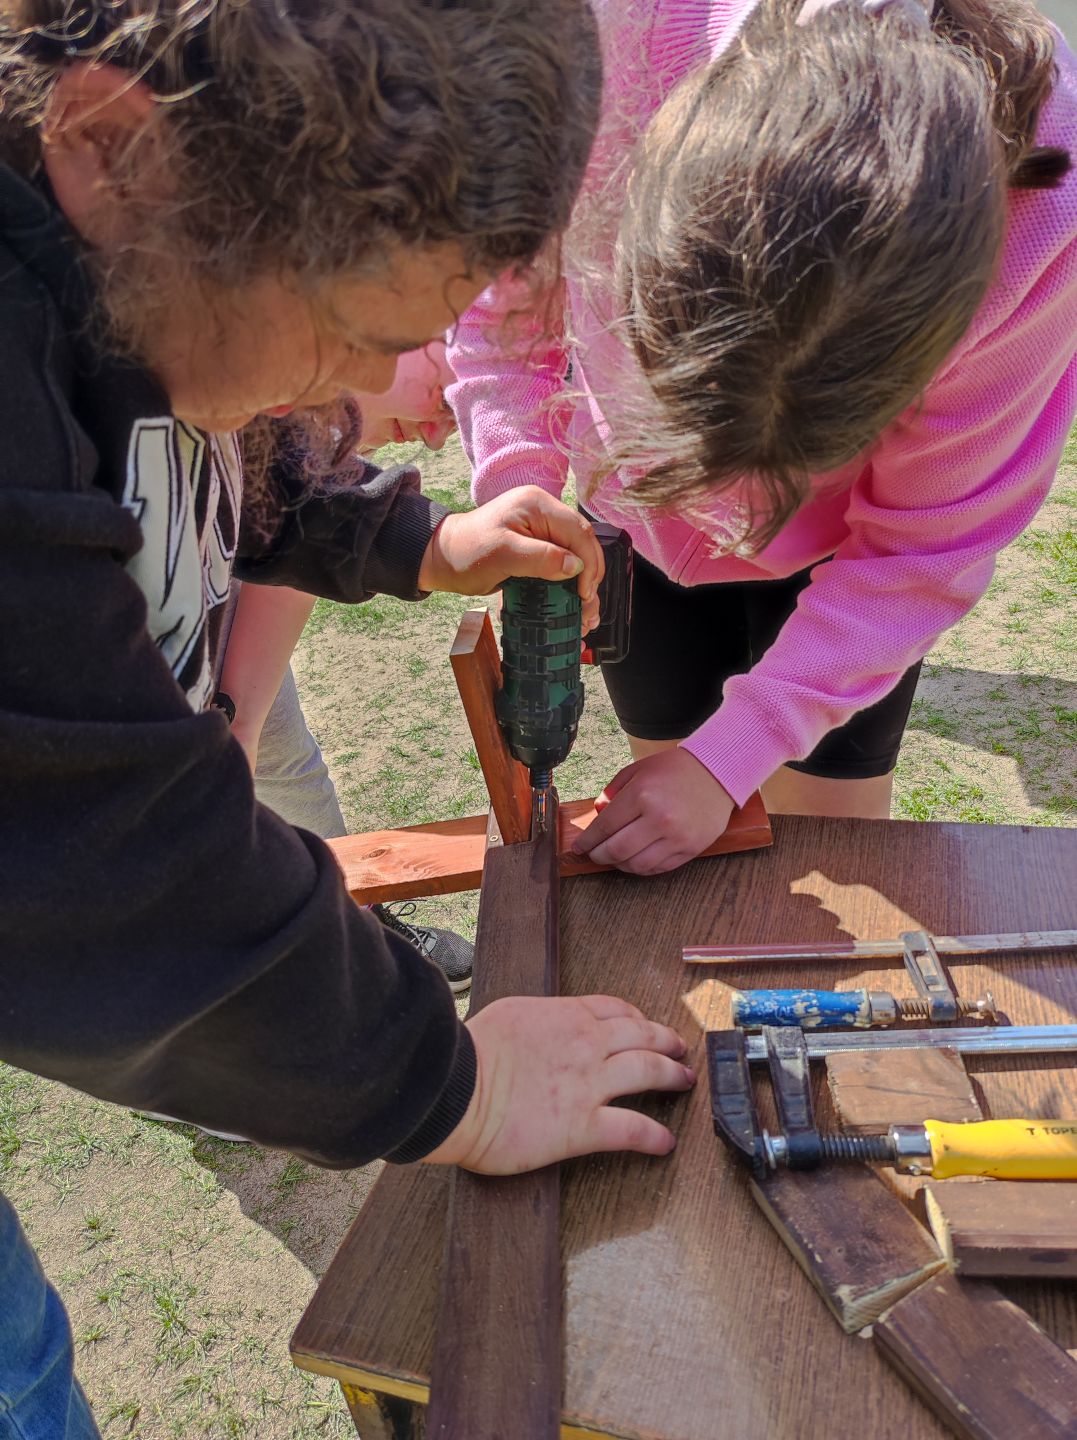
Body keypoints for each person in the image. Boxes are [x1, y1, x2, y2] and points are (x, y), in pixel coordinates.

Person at [0, 2, 696, 1433]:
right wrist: (458, 1086)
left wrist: (414, 541)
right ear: (116, 143)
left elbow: (206, 456)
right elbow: (110, 866)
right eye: (351, 331)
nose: (374, 389)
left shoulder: (129, 246)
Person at [448, 0, 1077, 876]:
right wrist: (516, 472)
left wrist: (730, 757)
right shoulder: (604, 46)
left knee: (836, 852)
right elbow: (506, 303)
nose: (729, 521)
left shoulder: (1041, 201)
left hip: (844, 566)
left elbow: (923, 549)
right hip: (633, 528)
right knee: (673, 806)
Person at [220, 342, 471, 986]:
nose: (436, 438)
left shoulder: (294, 416)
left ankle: (355, 917)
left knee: (284, 764)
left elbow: (296, 537)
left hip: (211, 605)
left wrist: (240, 719)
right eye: (445, 398)